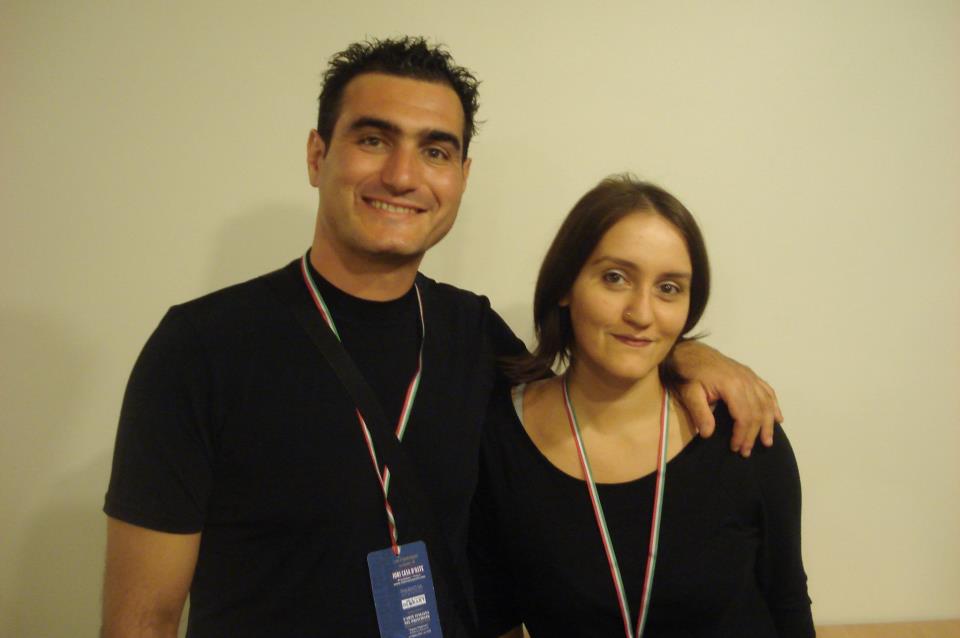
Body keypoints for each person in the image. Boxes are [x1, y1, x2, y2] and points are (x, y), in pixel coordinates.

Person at [101, 38, 783, 637]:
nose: (402, 175)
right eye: (373, 140)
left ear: (460, 176)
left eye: (435, 151)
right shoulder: (201, 348)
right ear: (317, 155)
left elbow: (589, 381)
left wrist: (688, 353)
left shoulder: (473, 333)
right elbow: (142, 620)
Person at [469, 175, 813, 637]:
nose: (642, 313)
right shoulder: (500, 440)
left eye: (668, 288)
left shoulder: (742, 429)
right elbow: (494, 615)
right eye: (615, 278)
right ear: (565, 285)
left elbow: (788, 603)